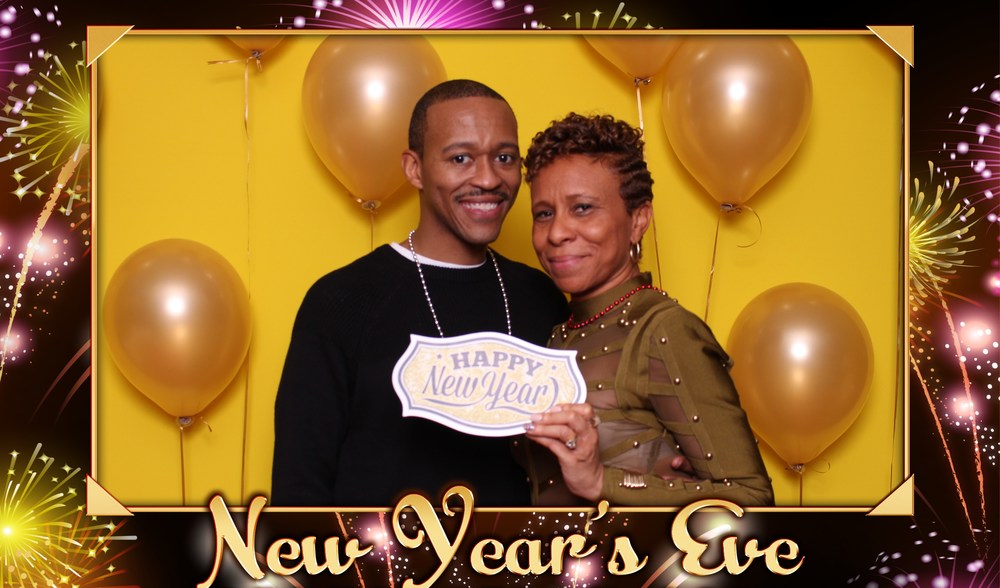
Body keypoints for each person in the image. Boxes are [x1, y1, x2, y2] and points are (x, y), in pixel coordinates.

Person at [272, 80, 568, 507]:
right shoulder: (340, 301)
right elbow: (298, 491)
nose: (488, 178)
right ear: (414, 169)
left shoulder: (541, 296)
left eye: (504, 158)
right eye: (460, 158)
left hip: (517, 551)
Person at [518, 112, 774, 506]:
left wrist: (601, 482)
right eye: (544, 214)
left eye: (582, 208)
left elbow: (752, 498)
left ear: (638, 220)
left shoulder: (664, 331)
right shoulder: (558, 335)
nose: (557, 233)